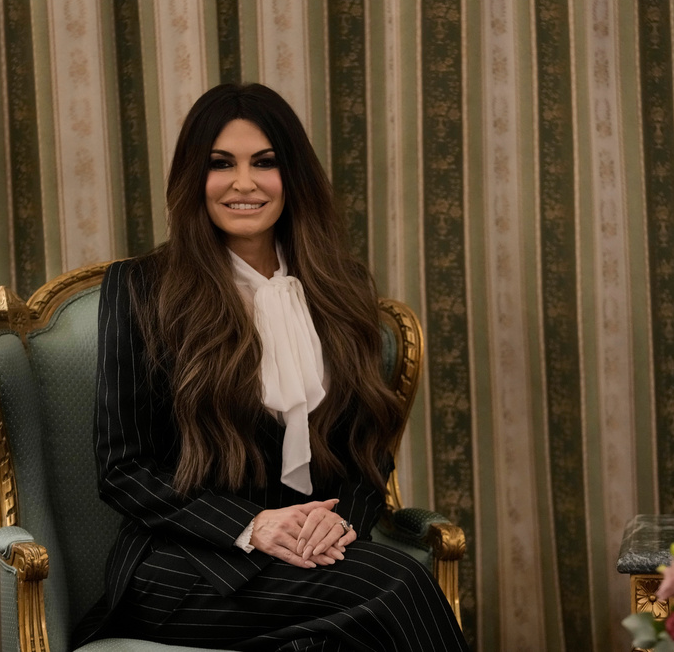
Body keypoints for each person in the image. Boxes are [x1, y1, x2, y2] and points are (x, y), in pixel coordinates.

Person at [73, 83, 468, 651]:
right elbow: (124, 470)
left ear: (294, 176)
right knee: (399, 581)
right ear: (193, 179)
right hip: (187, 566)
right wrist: (253, 526)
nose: (243, 183)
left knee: (337, 637)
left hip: (313, 558)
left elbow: (365, 453)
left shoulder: (341, 287)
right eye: (219, 164)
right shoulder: (140, 289)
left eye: (264, 163)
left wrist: (339, 523)